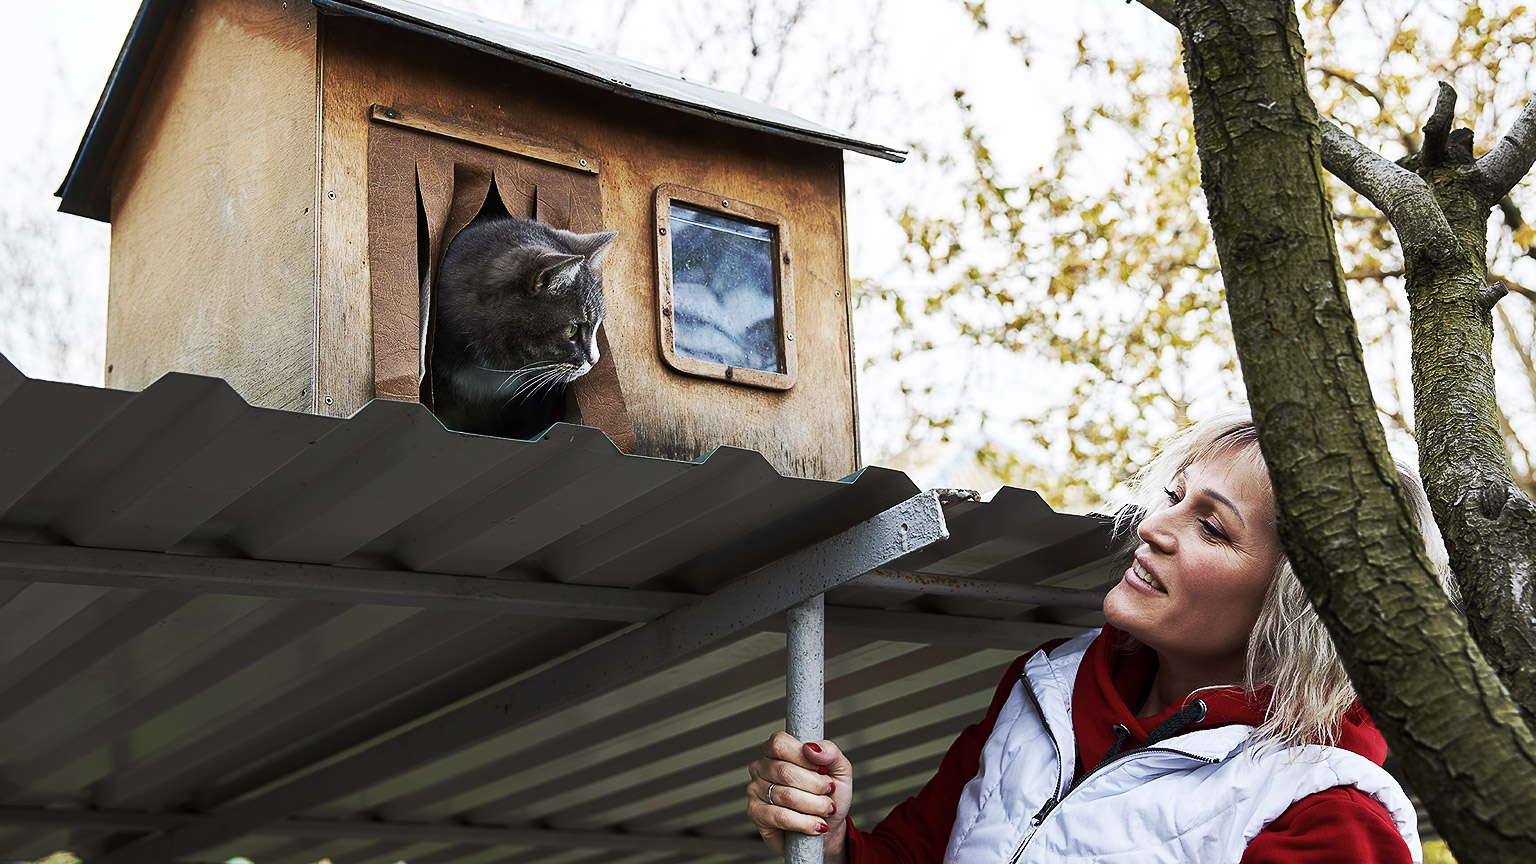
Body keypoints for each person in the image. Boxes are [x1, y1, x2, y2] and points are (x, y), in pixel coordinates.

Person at [745, 408, 1453, 863]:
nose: (1153, 526)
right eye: (1174, 496)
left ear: (1297, 602)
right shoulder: (1046, 688)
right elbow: (916, 854)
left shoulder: (1326, 816)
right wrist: (835, 845)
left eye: (1211, 526)